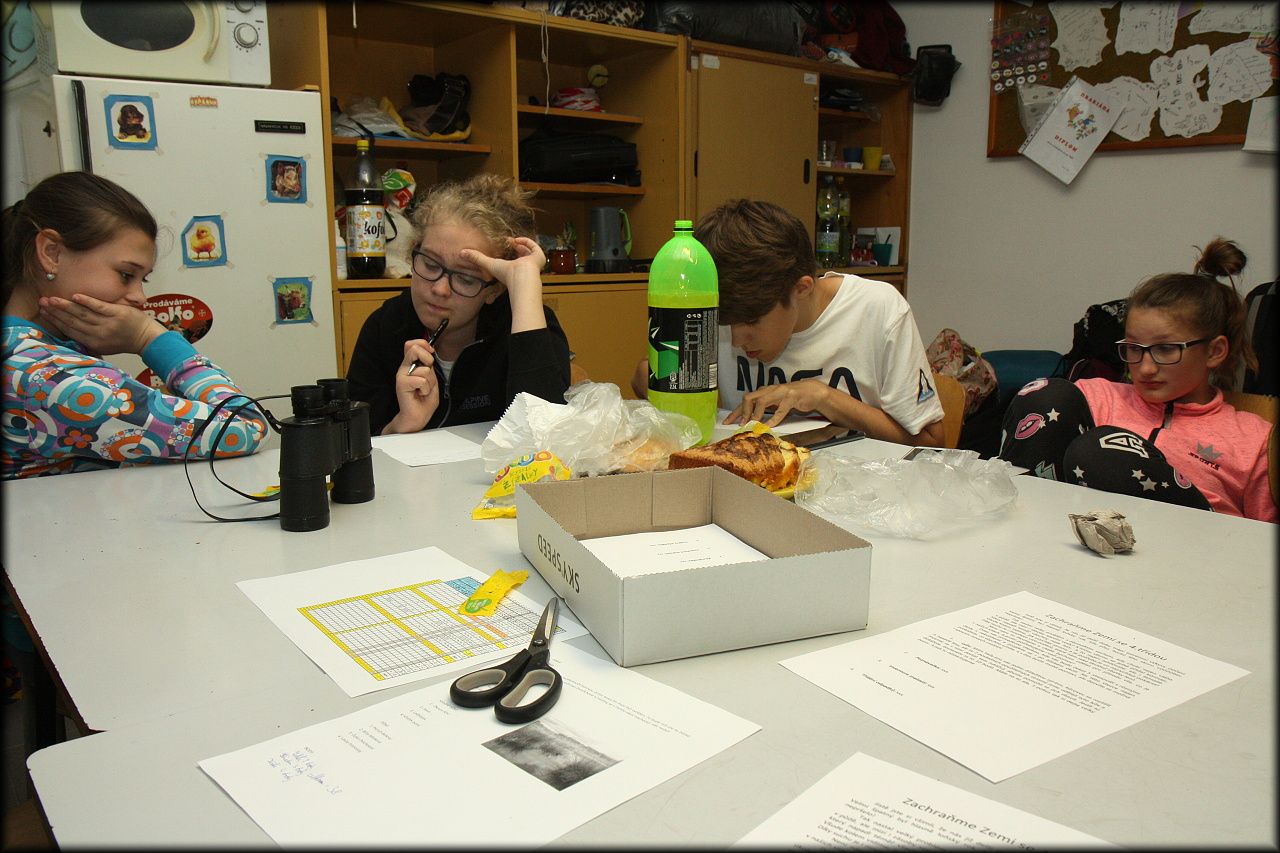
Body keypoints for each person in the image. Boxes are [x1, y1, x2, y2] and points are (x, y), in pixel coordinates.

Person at [2, 171, 268, 479]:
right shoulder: (48, 378)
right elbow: (246, 426)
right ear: (52, 253)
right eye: (126, 275)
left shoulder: (24, 353)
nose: (140, 298)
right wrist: (149, 337)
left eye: (143, 279)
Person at [999, 238, 1276, 522]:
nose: (1144, 368)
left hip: (1199, 544)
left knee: (1100, 451)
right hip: (1068, 535)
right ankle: (1020, 533)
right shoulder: (1094, 399)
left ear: (1214, 352)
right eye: (1133, 348)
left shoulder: (1254, 439)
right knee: (1045, 393)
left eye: (1165, 349)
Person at [631, 199, 944, 445]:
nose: (737, 340)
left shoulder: (877, 310)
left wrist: (825, 398)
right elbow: (642, 376)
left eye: (752, 321)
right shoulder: (720, 308)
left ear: (801, 288)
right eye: (728, 324)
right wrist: (663, 380)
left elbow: (933, 443)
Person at [346, 173, 571, 435]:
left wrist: (524, 284)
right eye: (430, 264)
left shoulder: (528, 322)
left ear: (494, 289)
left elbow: (545, 436)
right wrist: (402, 424)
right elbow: (357, 443)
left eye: (466, 278)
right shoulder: (385, 325)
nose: (440, 289)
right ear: (413, 252)